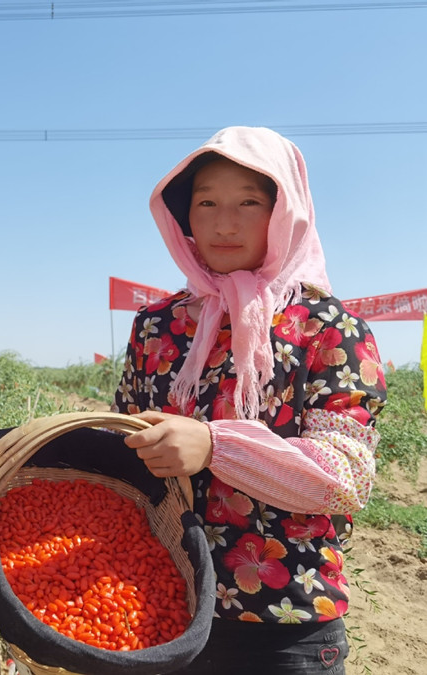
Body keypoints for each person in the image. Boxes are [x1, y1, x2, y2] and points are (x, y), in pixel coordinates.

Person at [114, 126, 385, 674]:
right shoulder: (158, 327)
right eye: (206, 202)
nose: (224, 222)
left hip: (284, 622)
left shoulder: (328, 330)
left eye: (249, 203)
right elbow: (123, 438)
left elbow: (346, 476)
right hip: (164, 601)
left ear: (285, 213)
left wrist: (215, 446)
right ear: (184, 218)